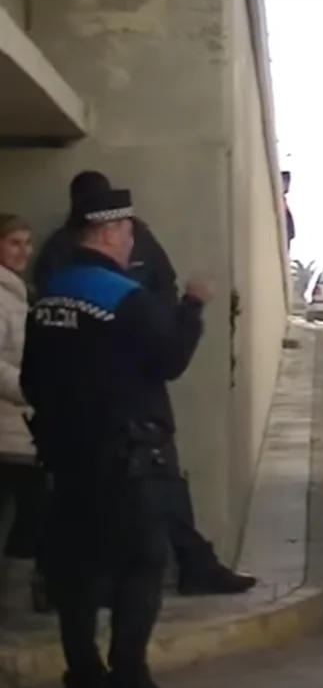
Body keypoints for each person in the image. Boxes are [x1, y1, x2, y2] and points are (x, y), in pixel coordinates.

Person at [33, 171, 255, 597]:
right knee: (137, 508)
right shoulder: (63, 254)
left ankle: (192, 565)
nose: (127, 239)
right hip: (107, 403)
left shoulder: (123, 246)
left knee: (162, 489)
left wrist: (160, 322)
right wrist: (185, 313)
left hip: (124, 389)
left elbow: (162, 286)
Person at [24, 187, 210, 688]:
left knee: (75, 569)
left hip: (63, 459)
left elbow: (29, 381)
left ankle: (82, 670)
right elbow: (170, 359)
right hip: (123, 460)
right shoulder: (124, 297)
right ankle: (128, 670)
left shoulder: (49, 296)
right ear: (108, 233)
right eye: (128, 233)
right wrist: (192, 308)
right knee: (142, 560)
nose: (132, 243)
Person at [0, 215, 44, 566]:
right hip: (7, 430)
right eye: (14, 242)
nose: (23, 251)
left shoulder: (16, 293)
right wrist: (31, 389)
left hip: (19, 428)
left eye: (27, 243)